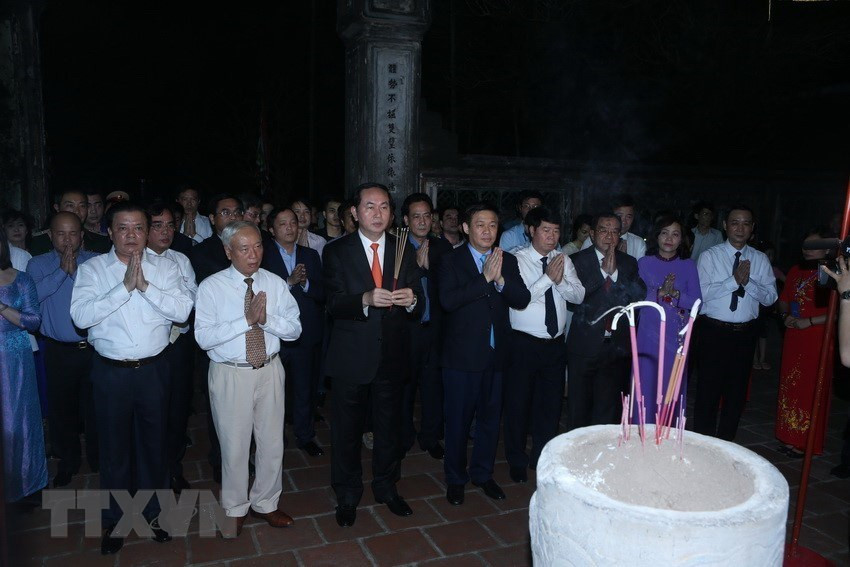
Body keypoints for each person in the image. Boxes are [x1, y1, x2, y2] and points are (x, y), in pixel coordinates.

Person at [70, 202, 193, 555]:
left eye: (139, 227)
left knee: (155, 445)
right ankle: (116, 519)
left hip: (154, 369)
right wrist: (123, 287)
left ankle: (155, 514)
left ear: (147, 232)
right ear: (110, 232)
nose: (131, 235)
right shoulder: (93, 269)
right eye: (123, 228)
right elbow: (80, 316)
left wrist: (146, 287)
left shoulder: (166, 268)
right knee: (114, 449)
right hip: (111, 373)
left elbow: (183, 311)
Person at [322, 183, 424, 527]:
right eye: (369, 206)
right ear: (355, 212)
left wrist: (412, 300)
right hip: (352, 355)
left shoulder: (402, 248)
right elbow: (332, 303)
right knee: (347, 431)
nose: (377, 213)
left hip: (392, 355)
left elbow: (419, 299)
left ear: (392, 214)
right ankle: (347, 493)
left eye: (384, 207)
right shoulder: (337, 251)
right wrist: (364, 299)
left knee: (389, 428)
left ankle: (386, 486)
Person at [195, 221, 302, 537]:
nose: (253, 254)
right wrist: (246, 320)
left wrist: (265, 320)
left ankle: (266, 502)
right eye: (244, 248)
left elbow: (295, 329)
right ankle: (234, 507)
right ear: (228, 251)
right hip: (231, 372)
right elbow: (203, 337)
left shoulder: (275, 283)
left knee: (272, 442)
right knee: (234, 445)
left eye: (258, 246)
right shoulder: (211, 287)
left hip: (269, 369)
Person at [439, 202, 530, 506]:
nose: (487, 231)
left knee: (490, 420)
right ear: (466, 228)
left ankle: (482, 473)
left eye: (492, 225)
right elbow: (448, 301)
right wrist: (485, 279)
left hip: (497, 354)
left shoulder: (507, 260)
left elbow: (522, 298)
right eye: (480, 225)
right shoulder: (450, 260)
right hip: (462, 358)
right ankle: (455, 478)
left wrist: (501, 279)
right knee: (458, 421)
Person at [506, 207, 584, 483]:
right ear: (531, 230)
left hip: (555, 344)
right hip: (523, 343)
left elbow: (578, 295)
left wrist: (559, 281)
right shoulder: (515, 259)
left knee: (550, 405)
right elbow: (521, 299)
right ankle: (516, 459)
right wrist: (547, 279)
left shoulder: (563, 260)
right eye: (546, 230)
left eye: (556, 231)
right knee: (518, 403)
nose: (552, 237)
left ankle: (541, 457)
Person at [26, 212, 99, 488]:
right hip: (58, 350)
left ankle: (99, 458)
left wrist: (75, 270)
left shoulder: (95, 261)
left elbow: (100, 295)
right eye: (61, 233)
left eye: (73, 233)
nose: (67, 240)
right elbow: (32, 298)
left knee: (96, 408)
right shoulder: (37, 264)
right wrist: (61, 272)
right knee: (61, 409)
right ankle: (68, 461)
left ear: (82, 235)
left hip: (93, 348)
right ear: (50, 235)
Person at [694, 206, 777, 441]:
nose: (740, 228)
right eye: (735, 223)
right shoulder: (710, 256)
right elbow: (701, 294)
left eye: (746, 223)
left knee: (736, 394)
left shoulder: (760, 259)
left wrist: (748, 283)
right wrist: (733, 281)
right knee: (707, 391)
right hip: (713, 331)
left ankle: (726, 443)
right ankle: (703, 442)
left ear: (752, 228)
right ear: (725, 225)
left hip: (744, 334)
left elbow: (770, 298)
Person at [567, 212, 647, 429]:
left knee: (608, 409)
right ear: (592, 234)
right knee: (579, 408)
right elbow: (574, 300)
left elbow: (639, 295)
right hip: (584, 345)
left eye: (615, 232)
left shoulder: (629, 262)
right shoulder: (576, 261)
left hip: (616, 346)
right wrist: (604, 274)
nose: (609, 236)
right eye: (603, 230)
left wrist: (617, 276)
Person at [190, 193, 244, 483]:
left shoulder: (255, 245)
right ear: (211, 219)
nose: (232, 217)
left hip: (252, 339)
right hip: (219, 342)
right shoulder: (201, 253)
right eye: (225, 212)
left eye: (236, 212)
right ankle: (220, 461)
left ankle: (245, 458)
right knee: (221, 410)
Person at [263, 207, 325, 457]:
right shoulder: (263, 255)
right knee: (273, 392)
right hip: (274, 334)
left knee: (304, 389)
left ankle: (305, 435)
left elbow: (323, 292)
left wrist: (305, 283)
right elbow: (261, 296)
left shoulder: (310, 255)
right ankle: (274, 438)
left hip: (305, 334)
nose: (290, 228)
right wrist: (288, 282)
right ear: (271, 229)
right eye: (283, 223)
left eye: (293, 222)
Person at [145, 203, 199, 492]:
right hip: (148, 348)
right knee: (151, 413)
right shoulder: (134, 260)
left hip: (178, 345)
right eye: (158, 225)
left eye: (170, 225)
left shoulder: (181, 259)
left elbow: (191, 300)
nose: (166, 231)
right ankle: (150, 473)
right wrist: (170, 297)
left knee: (177, 410)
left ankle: (173, 468)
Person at [400, 193, 453, 460]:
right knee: (404, 386)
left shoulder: (442, 247)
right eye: (416, 216)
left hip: (435, 329)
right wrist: (418, 268)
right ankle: (403, 437)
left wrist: (428, 269)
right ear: (406, 220)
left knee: (433, 387)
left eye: (426, 216)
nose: (422, 221)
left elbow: (449, 287)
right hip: (406, 329)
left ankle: (431, 437)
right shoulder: (396, 248)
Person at [634, 215, 701, 424]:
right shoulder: (644, 263)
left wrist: (676, 294)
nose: (669, 238)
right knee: (646, 380)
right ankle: (642, 429)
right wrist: (659, 292)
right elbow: (635, 298)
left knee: (671, 384)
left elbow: (698, 303)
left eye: (675, 234)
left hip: (676, 334)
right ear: (657, 236)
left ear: (682, 239)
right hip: (648, 333)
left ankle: (668, 430)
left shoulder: (688, 265)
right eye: (664, 233)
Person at [774, 229, 833, 456]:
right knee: (791, 385)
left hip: (817, 337)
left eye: (814, 246)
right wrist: (785, 315)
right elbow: (784, 299)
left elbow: (839, 312)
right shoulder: (795, 270)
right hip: (794, 335)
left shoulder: (832, 274)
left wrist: (809, 321)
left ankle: (805, 441)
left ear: (827, 249)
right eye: (805, 246)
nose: (808, 251)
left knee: (811, 387)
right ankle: (789, 436)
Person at [0, 225, 48, 503]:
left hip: (14, 359)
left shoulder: (21, 279)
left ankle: (25, 484)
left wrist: (2, 307)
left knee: (18, 421)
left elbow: (33, 321)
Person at [31, 190, 111, 254]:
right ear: (57, 208)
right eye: (70, 205)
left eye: (82, 206)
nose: (77, 211)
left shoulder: (100, 240)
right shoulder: (38, 241)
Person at [580, 195, 646, 260]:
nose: (624, 221)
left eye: (628, 217)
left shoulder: (638, 243)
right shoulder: (594, 239)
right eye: (619, 216)